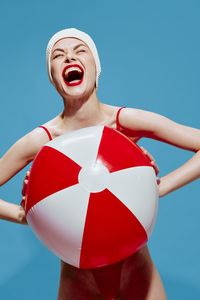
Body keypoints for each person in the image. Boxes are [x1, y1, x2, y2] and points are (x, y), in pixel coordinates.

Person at [0, 28, 200, 300]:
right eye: (58, 55)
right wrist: (29, 215)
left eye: (80, 50)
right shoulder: (43, 140)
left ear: (96, 67)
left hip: (138, 273)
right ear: (53, 78)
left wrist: (157, 188)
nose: (70, 57)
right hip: (78, 281)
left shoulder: (123, 121)